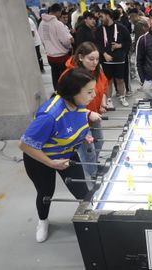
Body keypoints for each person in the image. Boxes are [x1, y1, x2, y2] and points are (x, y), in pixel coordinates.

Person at [19, 68, 101, 243]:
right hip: (40, 159)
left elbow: (74, 123)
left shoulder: (79, 104)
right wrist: (50, 163)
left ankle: (92, 220)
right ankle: (43, 221)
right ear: (72, 93)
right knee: (45, 192)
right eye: (89, 91)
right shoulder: (50, 115)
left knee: (82, 191)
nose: (94, 94)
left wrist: (83, 136)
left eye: (93, 89)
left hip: (68, 154)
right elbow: (24, 144)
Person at [61, 42, 108, 177]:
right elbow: (65, 103)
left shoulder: (96, 70)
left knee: (99, 142)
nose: (95, 63)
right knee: (88, 149)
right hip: (78, 120)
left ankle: (92, 164)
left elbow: (103, 86)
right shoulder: (70, 76)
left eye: (97, 59)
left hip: (94, 116)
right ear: (80, 57)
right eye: (91, 59)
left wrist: (102, 102)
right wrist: (87, 113)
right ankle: (92, 175)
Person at [95, 8, 132, 108]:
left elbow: (128, 42)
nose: (100, 19)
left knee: (120, 80)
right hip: (106, 61)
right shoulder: (99, 29)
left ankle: (122, 97)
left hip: (119, 60)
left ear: (108, 15)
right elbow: (97, 44)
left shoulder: (121, 28)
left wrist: (120, 46)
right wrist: (104, 54)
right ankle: (109, 99)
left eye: (101, 17)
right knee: (108, 81)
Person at [38, 3, 73, 91]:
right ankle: (65, 95)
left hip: (50, 56)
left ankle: (57, 94)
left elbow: (41, 38)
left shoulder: (42, 23)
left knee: (55, 77)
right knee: (65, 78)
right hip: (61, 57)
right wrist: (70, 43)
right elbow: (66, 40)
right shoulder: (57, 24)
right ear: (59, 12)